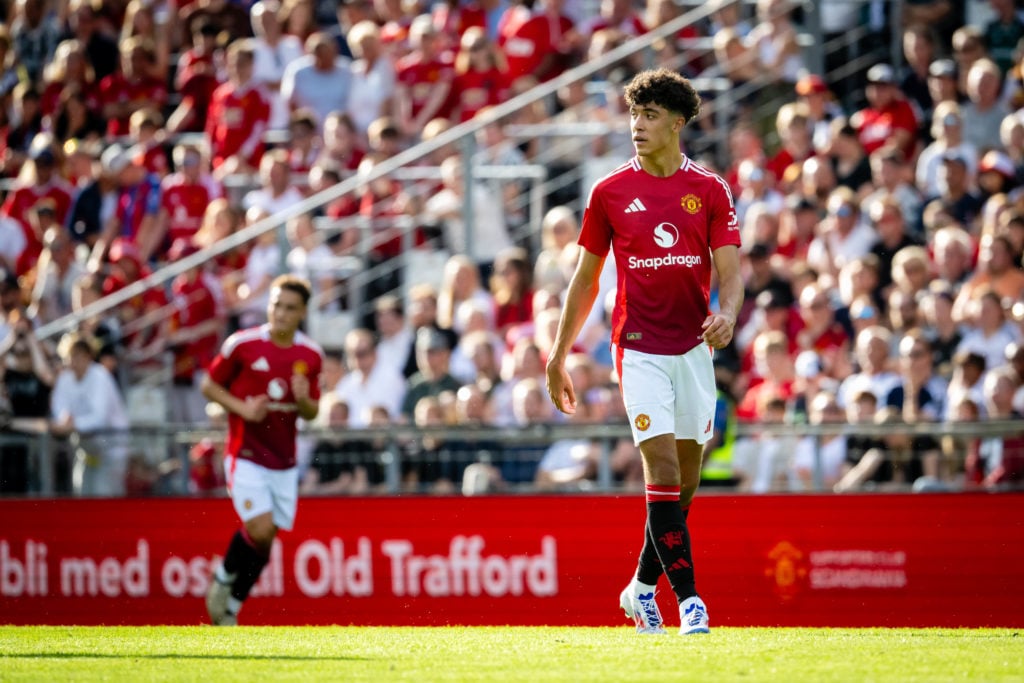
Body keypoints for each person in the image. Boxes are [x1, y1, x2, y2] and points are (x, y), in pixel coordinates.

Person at [545, 69, 742, 636]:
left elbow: (730, 271)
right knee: (657, 469)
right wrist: (559, 354)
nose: (637, 126)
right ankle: (691, 602)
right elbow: (584, 280)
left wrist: (727, 314)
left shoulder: (709, 189)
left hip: (694, 349)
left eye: (650, 115)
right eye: (633, 115)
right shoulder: (609, 192)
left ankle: (638, 588)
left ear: (677, 124)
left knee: (684, 484)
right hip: (638, 349)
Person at [203, 275, 323, 626]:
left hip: (284, 461)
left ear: (302, 313)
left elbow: (312, 412)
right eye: (276, 305)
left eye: (289, 308)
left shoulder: (310, 355)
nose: (280, 313)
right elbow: (209, 385)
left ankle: (231, 610)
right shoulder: (242, 345)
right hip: (245, 455)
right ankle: (223, 579)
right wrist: (241, 409)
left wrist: (303, 400)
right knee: (259, 528)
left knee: (266, 539)